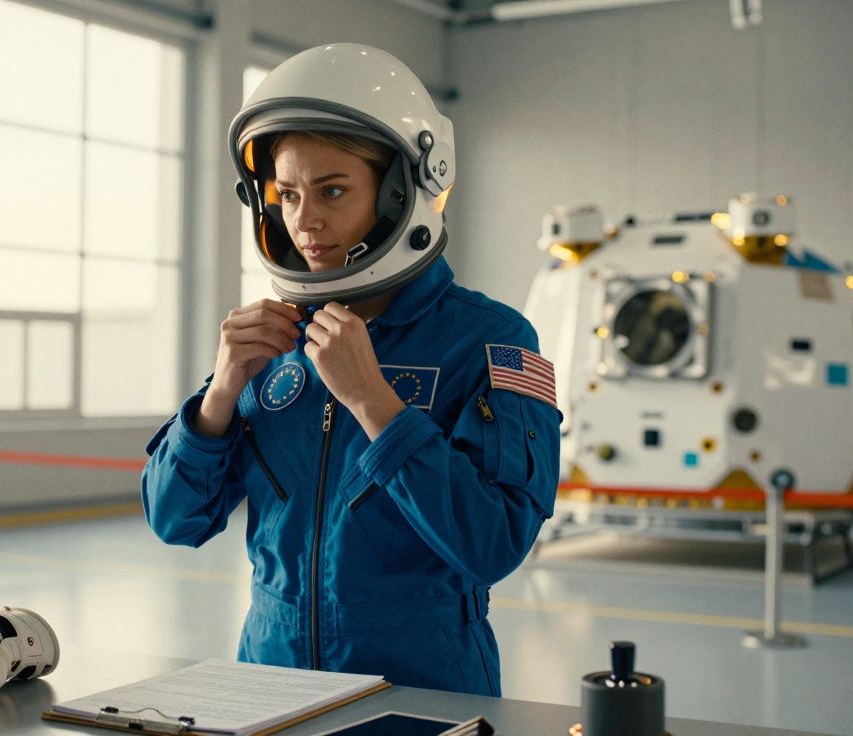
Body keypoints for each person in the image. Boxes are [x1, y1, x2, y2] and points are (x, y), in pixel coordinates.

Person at [141, 43, 561, 697]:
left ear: (400, 190)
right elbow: (174, 521)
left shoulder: (495, 339)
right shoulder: (271, 342)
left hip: (422, 692)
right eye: (286, 195)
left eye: (332, 191)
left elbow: (495, 543)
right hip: (270, 687)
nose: (304, 220)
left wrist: (374, 401)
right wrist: (220, 394)